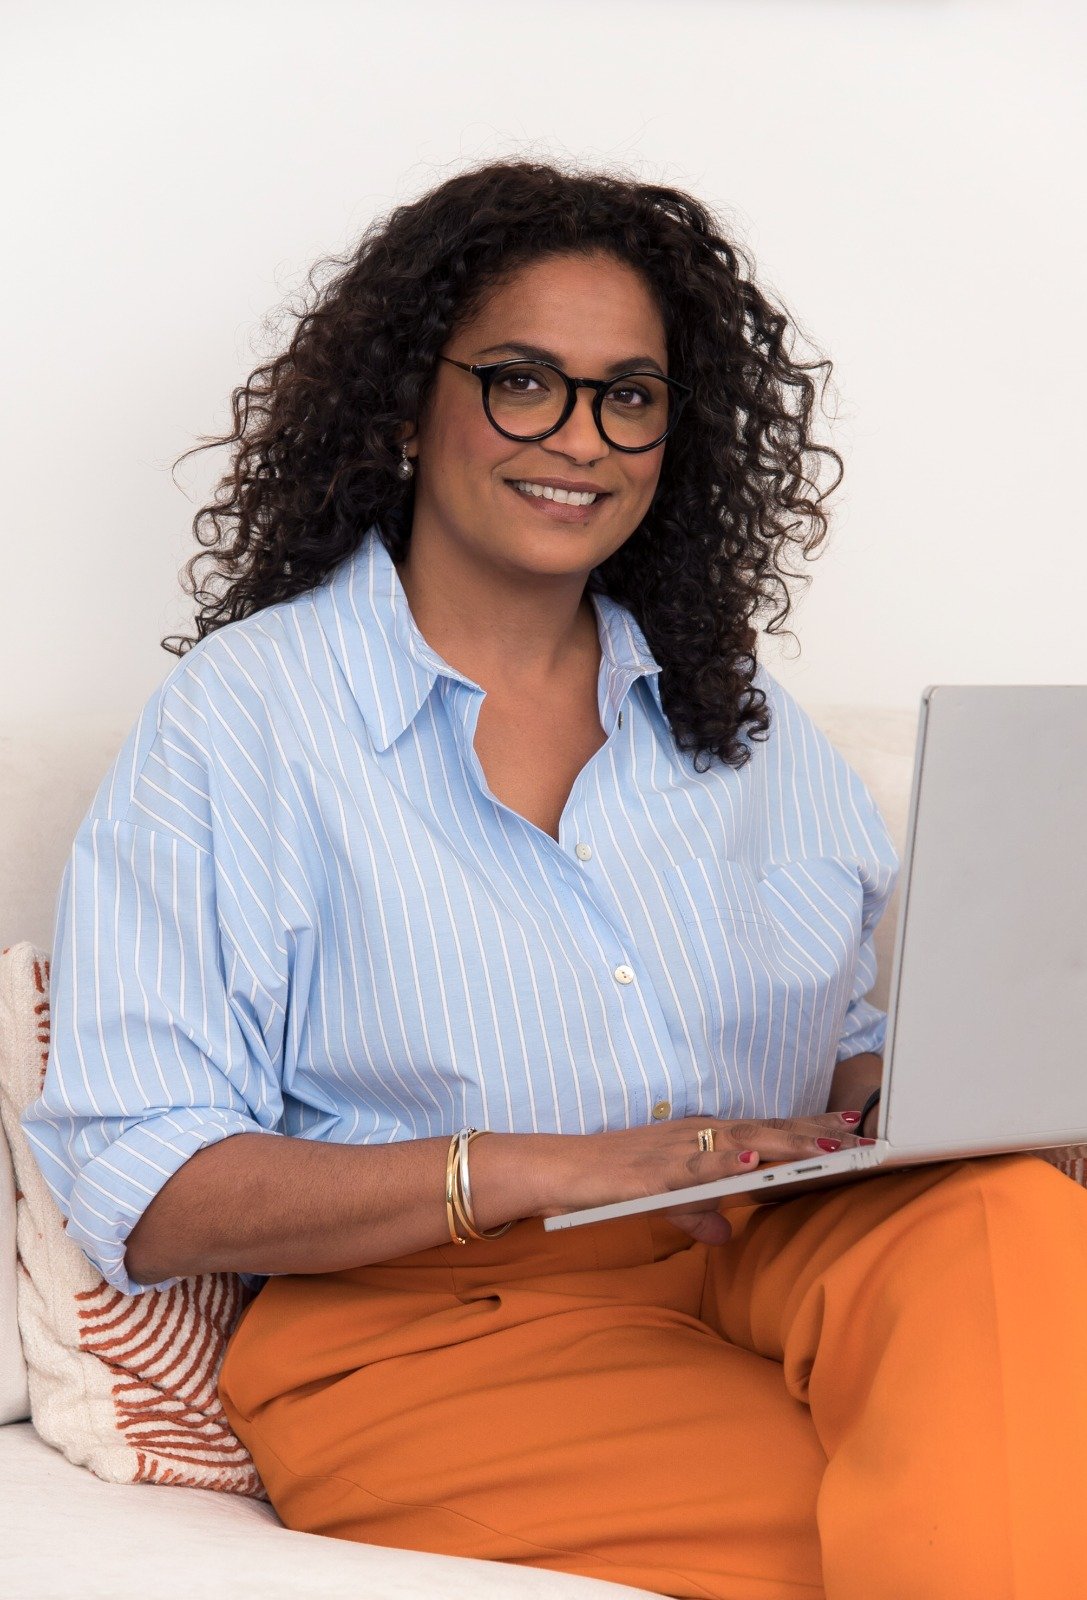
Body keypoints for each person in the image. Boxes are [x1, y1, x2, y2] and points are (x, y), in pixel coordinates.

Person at [23, 160, 1087, 1600]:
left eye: (629, 394)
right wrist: (546, 1168)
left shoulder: (743, 722)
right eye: (524, 382)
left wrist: (957, 1107)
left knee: (1010, 1216)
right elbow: (147, 1186)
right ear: (408, 403)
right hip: (430, 1334)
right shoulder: (244, 722)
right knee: (955, 1505)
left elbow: (847, 1064)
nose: (580, 438)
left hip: (760, 1263)